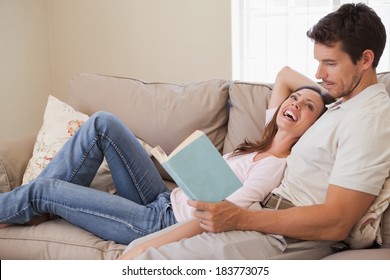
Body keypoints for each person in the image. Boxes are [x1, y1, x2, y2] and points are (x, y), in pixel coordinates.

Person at [120, 3, 390, 260]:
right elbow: (296, 84)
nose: (319, 74)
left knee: (147, 260)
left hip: (284, 235)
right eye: (318, 62)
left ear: (365, 59)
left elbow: (337, 222)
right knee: (137, 248)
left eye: (330, 63)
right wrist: (322, 91)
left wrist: (241, 218)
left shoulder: (369, 120)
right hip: (260, 214)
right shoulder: (344, 103)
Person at [0, 75, 332, 246]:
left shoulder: (276, 165)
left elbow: (225, 216)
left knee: (42, 190)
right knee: (103, 123)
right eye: (294, 98)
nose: (296, 104)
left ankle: (29, 207)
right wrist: (316, 95)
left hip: (162, 222)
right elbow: (286, 75)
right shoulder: (263, 137)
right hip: (161, 197)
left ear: (316, 126)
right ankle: (33, 211)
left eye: (309, 108)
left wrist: (148, 244)